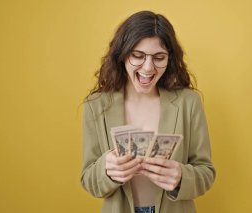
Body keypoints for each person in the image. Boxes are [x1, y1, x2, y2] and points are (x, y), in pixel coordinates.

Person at [80, 10, 216, 213]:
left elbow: (206, 173)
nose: (148, 67)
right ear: (122, 55)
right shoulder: (96, 105)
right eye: (138, 56)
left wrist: (181, 177)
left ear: (169, 59)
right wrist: (106, 170)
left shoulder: (189, 102)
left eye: (159, 57)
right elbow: (88, 180)